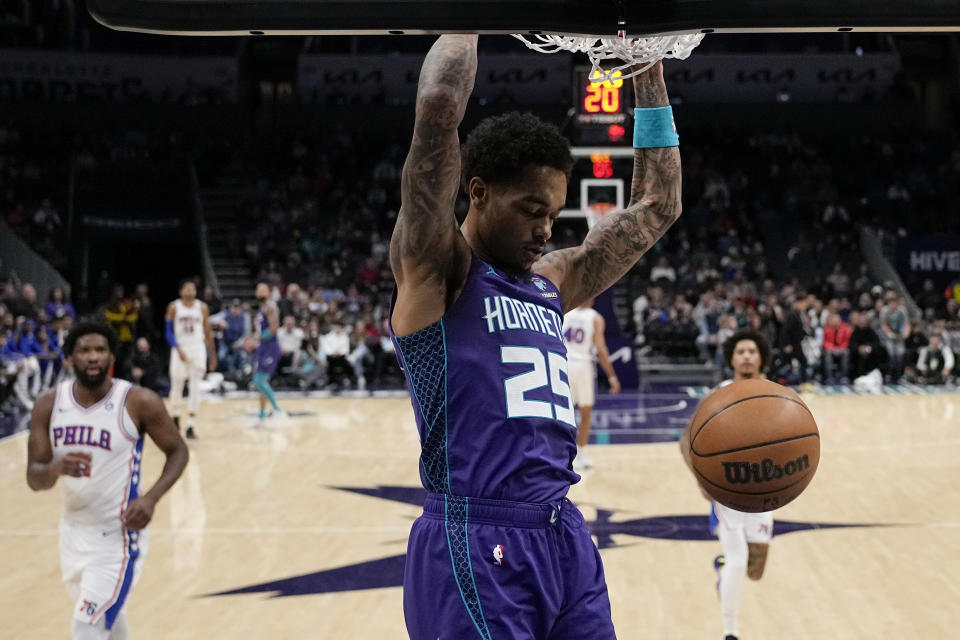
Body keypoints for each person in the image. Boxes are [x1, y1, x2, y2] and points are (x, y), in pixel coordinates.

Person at [390, 35, 681, 639]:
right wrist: (470, 19)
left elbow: (657, 205)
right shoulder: (439, 273)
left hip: (562, 533)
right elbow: (441, 102)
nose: (546, 229)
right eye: (530, 210)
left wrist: (647, 67)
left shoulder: (552, 281)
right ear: (478, 192)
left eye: (553, 212)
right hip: (473, 538)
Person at [26, 322, 188, 640]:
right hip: (72, 532)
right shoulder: (48, 404)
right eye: (84, 350)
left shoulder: (138, 401)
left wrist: (151, 498)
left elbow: (178, 451)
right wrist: (55, 468)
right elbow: (35, 479)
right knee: (106, 623)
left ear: (111, 356)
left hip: (120, 535)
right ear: (70, 358)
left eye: (100, 350)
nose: (93, 357)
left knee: (87, 625)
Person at [679, 329, 774, 640]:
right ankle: (730, 632)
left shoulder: (775, 394)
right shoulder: (720, 393)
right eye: (740, 351)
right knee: (738, 558)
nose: (746, 356)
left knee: (755, 570)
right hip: (727, 488)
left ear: (761, 357)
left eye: (752, 351)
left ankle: (721, 571)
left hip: (765, 489)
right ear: (732, 358)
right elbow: (686, 438)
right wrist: (702, 480)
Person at [561, 299, 621, 470]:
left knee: (565, 414)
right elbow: (601, 349)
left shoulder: (565, 312)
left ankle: (562, 455)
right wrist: (612, 377)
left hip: (563, 364)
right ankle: (578, 456)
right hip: (582, 367)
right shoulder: (595, 318)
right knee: (586, 413)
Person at [165, 279, 216, 439]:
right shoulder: (174, 307)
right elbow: (168, 332)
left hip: (197, 348)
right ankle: (175, 416)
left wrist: (212, 354)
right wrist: (177, 348)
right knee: (177, 384)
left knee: (195, 386)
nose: (190, 291)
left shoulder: (202, 307)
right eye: (187, 288)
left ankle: (191, 425)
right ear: (181, 292)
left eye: (192, 288)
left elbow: (208, 332)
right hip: (180, 347)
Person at [252, 282, 285, 421]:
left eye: (263, 290)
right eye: (258, 290)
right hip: (262, 347)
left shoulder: (270, 306)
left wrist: (259, 337)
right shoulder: (261, 308)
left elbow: (274, 327)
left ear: (269, 293)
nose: (260, 292)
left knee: (258, 380)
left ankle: (277, 409)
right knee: (261, 383)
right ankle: (261, 412)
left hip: (270, 347)